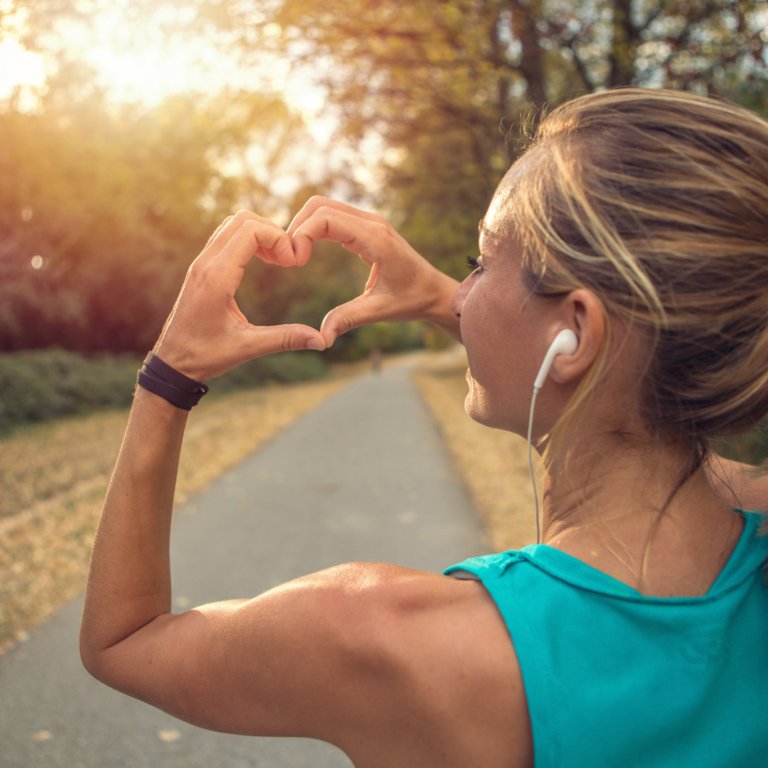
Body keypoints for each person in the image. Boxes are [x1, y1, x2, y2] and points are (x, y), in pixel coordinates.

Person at [80, 88, 768, 767]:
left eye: (480, 261)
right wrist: (442, 297)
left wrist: (168, 375)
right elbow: (600, 383)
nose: (461, 294)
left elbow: (124, 639)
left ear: (575, 332)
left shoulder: (385, 638)